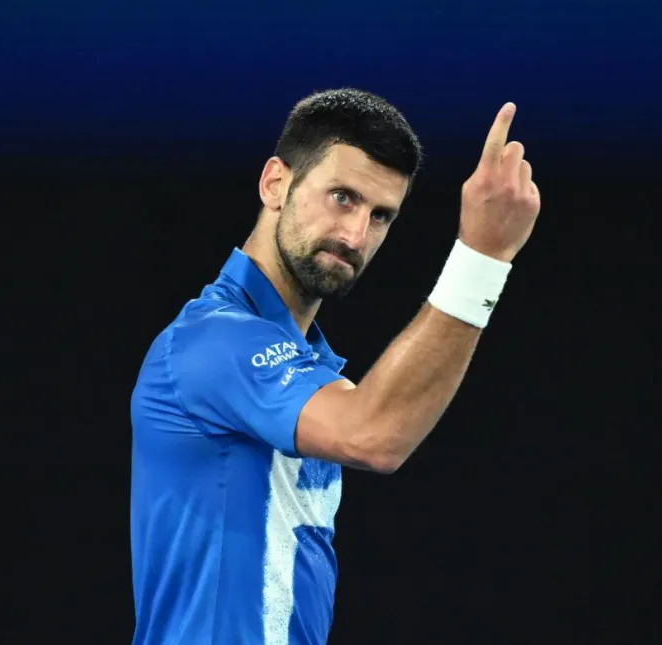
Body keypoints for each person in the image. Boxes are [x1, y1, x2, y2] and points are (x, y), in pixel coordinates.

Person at [129, 88, 540, 645]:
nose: (355, 236)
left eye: (380, 216)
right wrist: (482, 258)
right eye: (342, 197)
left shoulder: (310, 366)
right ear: (276, 182)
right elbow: (375, 435)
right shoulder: (213, 339)